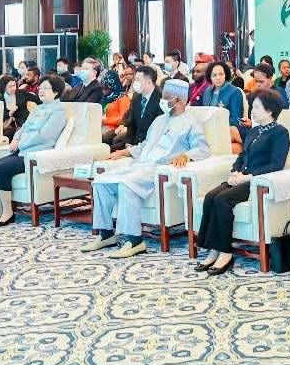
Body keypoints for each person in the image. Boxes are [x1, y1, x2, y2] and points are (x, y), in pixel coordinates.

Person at [82, 78, 209, 258]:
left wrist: (186, 155)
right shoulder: (159, 120)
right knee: (101, 181)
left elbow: (203, 149)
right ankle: (106, 234)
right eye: (164, 96)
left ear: (180, 100)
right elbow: (145, 146)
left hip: (160, 167)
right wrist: (122, 153)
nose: (163, 101)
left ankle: (135, 241)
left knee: (126, 183)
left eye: (168, 98)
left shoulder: (192, 122)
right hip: (141, 164)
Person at [194, 89, 290, 276]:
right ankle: (214, 249)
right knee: (211, 197)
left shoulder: (280, 133)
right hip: (242, 177)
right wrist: (235, 171)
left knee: (222, 200)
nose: (252, 111)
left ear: (270, 110)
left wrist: (248, 177)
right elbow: (242, 155)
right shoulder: (254, 131)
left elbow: (277, 164)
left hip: (257, 181)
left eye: (256, 107)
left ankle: (225, 253)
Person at [0, 75, 68, 225]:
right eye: (41, 87)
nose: (41, 91)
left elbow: (44, 136)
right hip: (21, 151)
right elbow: (24, 127)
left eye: (46, 88)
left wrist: (20, 144)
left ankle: (8, 212)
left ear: (56, 92)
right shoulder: (38, 108)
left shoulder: (58, 111)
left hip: (35, 153)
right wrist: (15, 139)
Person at [110, 66, 162, 150]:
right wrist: (129, 143)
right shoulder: (136, 98)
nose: (135, 83)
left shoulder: (161, 100)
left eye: (138, 80)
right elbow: (132, 124)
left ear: (149, 82)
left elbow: (158, 129)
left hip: (150, 145)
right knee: (109, 150)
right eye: (135, 79)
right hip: (135, 142)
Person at [200, 61, 244, 131]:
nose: (218, 78)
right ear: (210, 77)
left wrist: (217, 125)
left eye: (221, 74)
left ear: (225, 75)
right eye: (214, 75)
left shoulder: (235, 92)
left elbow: (237, 119)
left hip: (227, 130)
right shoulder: (207, 91)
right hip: (208, 128)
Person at [99, 68, 131, 145]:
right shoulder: (105, 98)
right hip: (102, 125)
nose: (103, 90)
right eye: (102, 87)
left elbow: (123, 119)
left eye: (106, 87)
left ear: (113, 85)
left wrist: (104, 120)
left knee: (96, 137)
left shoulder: (123, 98)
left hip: (114, 128)